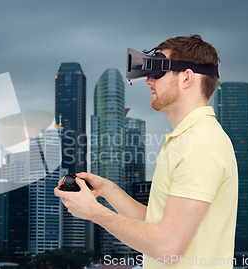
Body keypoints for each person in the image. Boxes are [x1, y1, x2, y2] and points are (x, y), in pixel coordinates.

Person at [54, 35, 238, 268]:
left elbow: (167, 246)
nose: (149, 81)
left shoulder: (199, 144)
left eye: (158, 71)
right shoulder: (187, 139)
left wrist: (95, 213)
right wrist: (109, 190)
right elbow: (159, 224)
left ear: (187, 78)